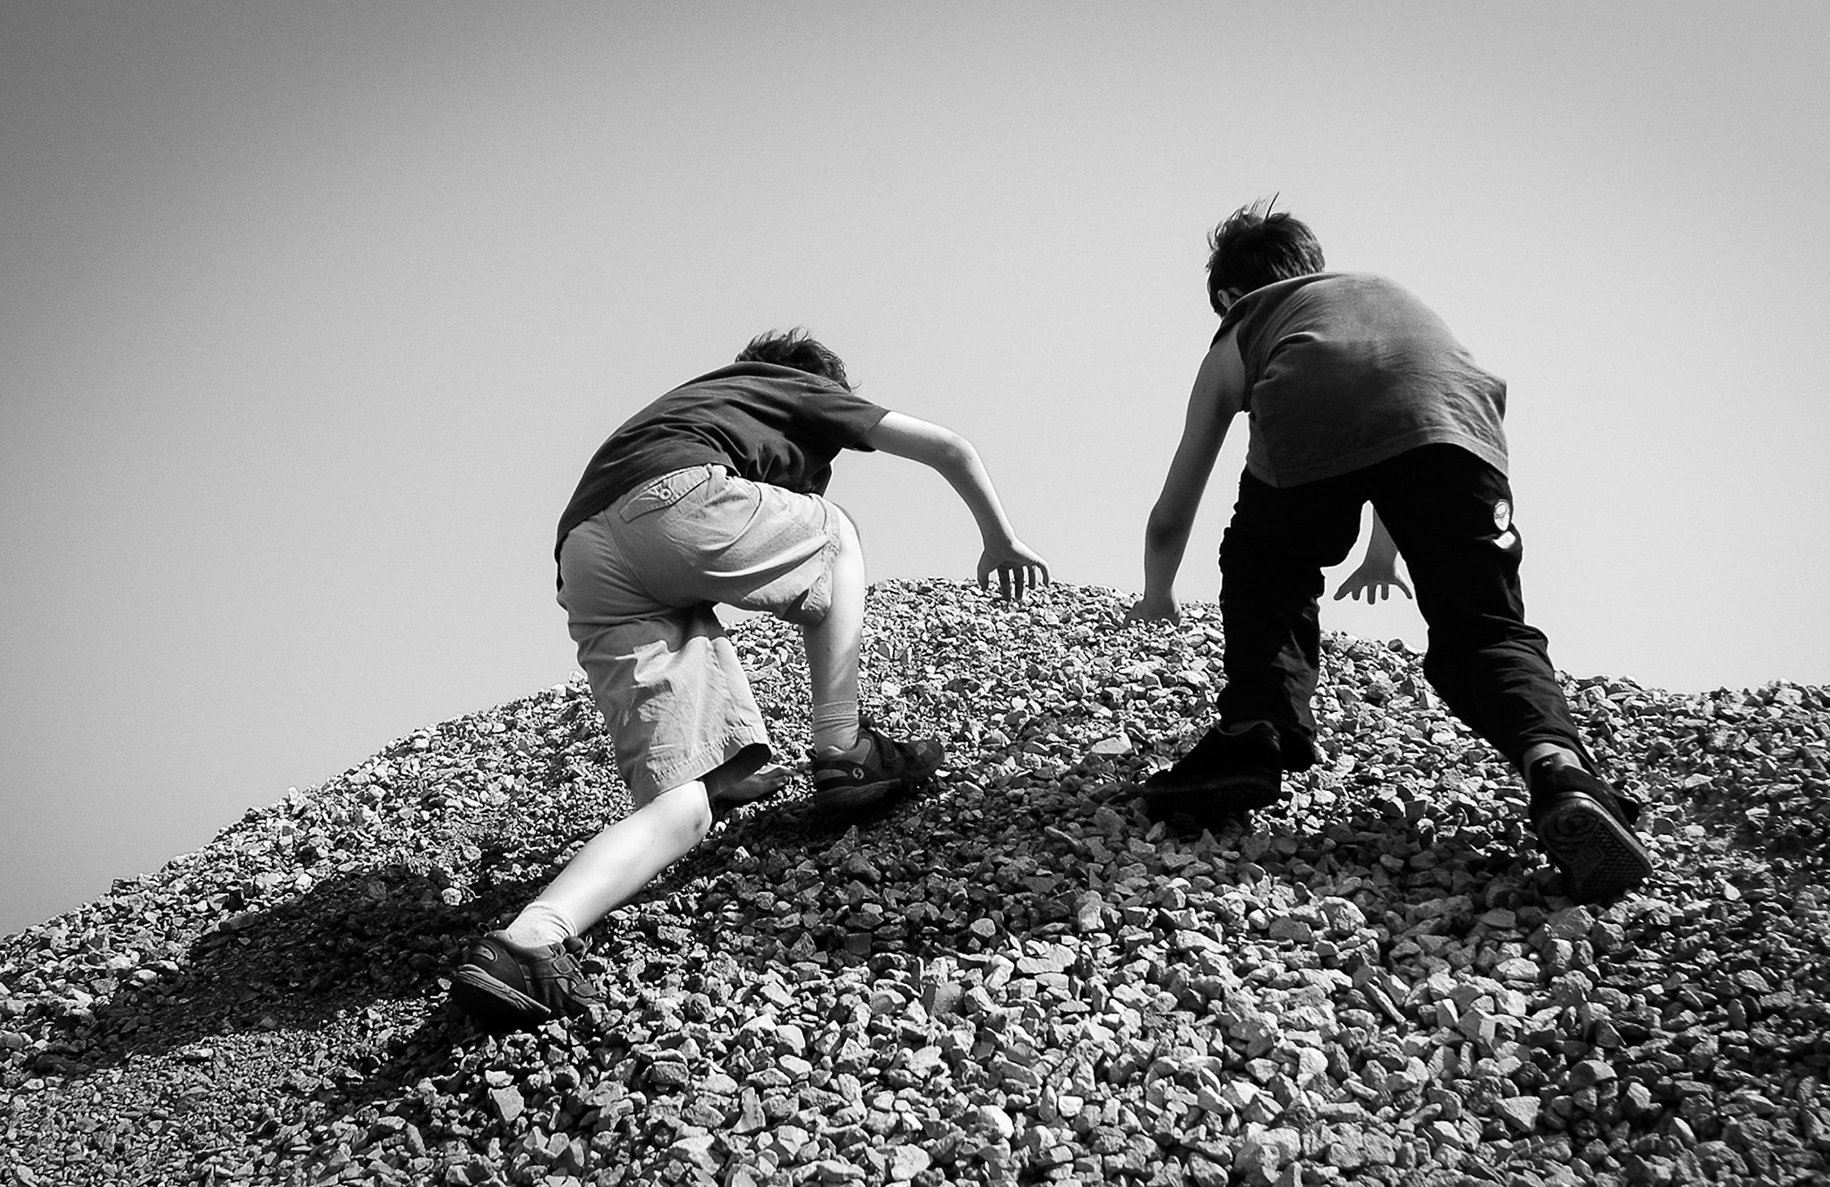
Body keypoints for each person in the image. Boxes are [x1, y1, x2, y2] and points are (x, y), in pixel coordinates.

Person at [450, 329, 1050, 1031]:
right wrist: (998, 536)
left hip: (584, 557)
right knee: (834, 532)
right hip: (676, 504)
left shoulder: (698, 408)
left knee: (685, 805)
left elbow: (662, 546)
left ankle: (529, 942)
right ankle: (843, 747)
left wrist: (730, 768)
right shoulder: (790, 385)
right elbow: (952, 447)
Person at [1125, 201, 1651, 904]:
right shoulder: (1379, 297)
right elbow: (1401, 423)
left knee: (1266, 564)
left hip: (1324, 410)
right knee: (1484, 627)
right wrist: (1383, 549)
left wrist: (1157, 593)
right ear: (1310, 267)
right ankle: (1559, 771)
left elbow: (1174, 511)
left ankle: (1254, 729)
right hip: (1461, 418)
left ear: (1226, 295)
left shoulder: (1245, 323)